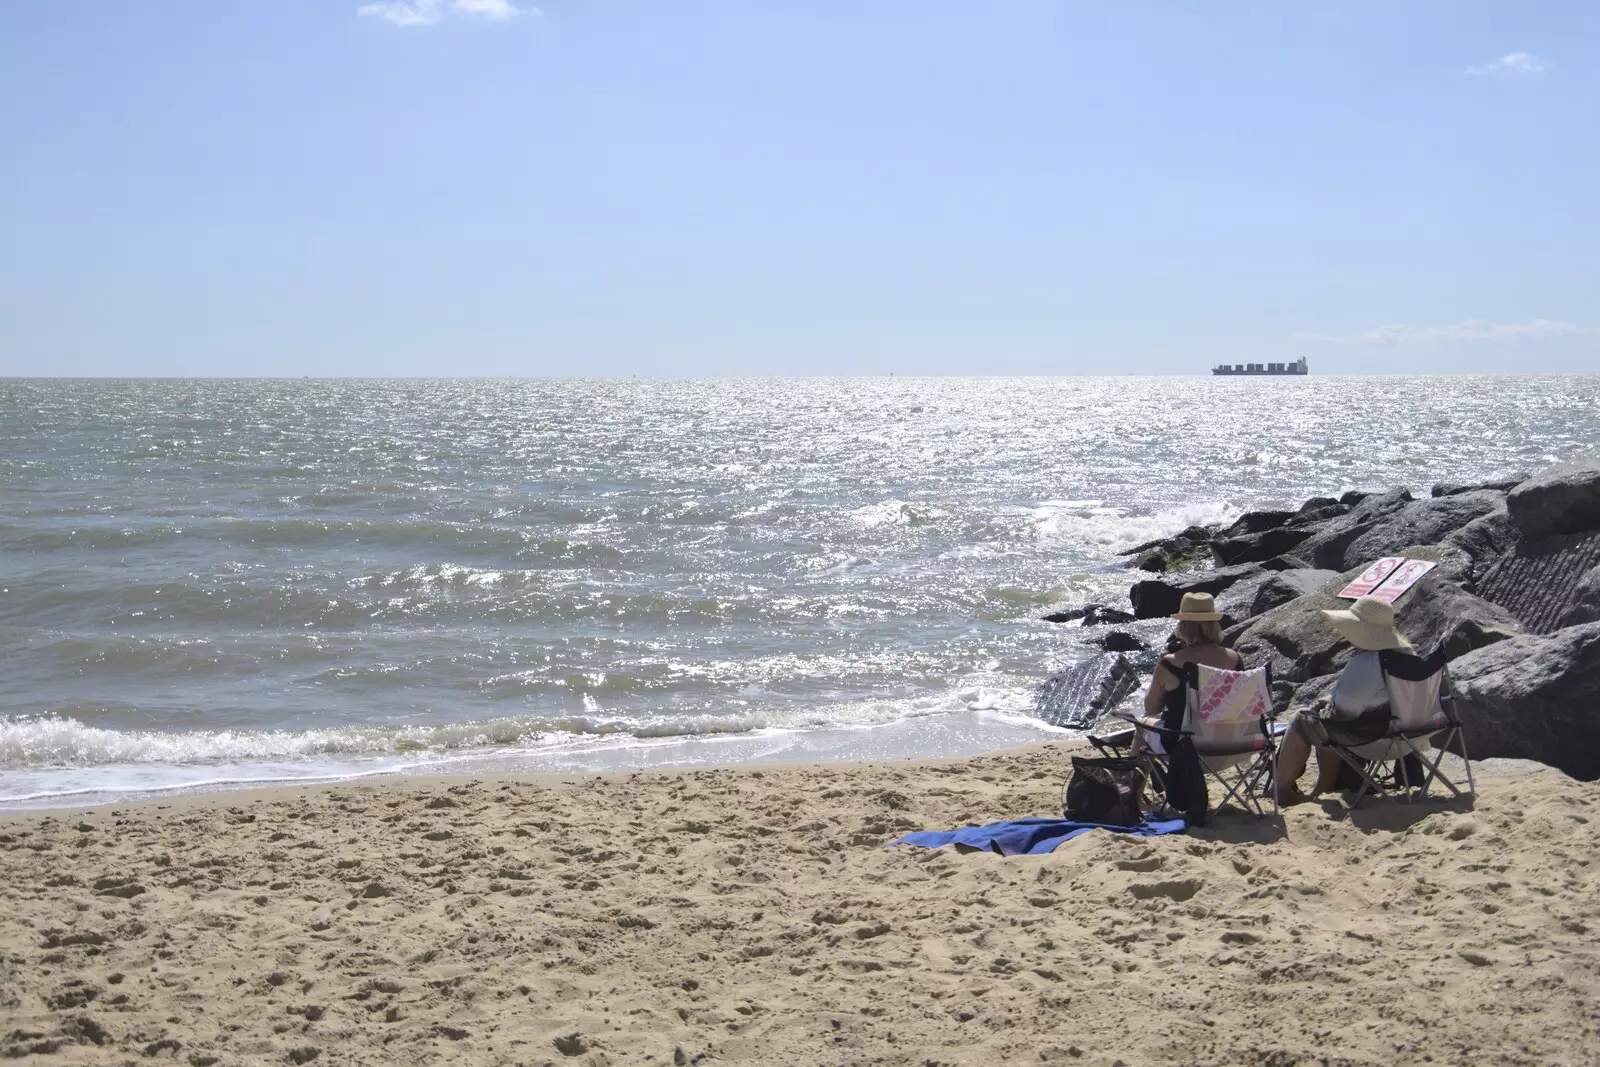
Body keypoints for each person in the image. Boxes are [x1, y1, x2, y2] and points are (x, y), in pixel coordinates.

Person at [1274, 595, 1413, 805]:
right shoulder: (1410, 656)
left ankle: (1281, 790)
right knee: (1325, 720)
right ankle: (1323, 784)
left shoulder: (1365, 664)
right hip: (1411, 736)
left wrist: (1328, 704)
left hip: (1373, 741)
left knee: (1304, 720)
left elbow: (1343, 711)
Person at [1140, 591, 1242, 734]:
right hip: (1232, 741)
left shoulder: (1171, 663)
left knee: (1142, 724)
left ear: (1183, 626)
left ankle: (1136, 757)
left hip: (1184, 744)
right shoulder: (1235, 658)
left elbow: (1151, 708)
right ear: (1214, 625)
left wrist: (1160, 664)